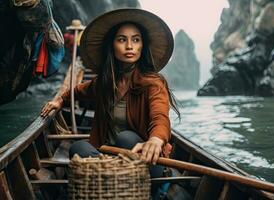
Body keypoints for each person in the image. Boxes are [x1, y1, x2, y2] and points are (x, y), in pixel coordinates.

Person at [40, 8, 180, 196]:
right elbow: (77, 91)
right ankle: (113, 179)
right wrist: (60, 100)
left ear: (142, 46)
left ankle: (113, 183)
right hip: (108, 157)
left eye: (136, 40)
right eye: (122, 39)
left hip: (144, 159)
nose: (129, 46)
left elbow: (160, 116)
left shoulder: (153, 84)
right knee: (78, 148)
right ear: (112, 45)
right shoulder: (105, 83)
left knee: (126, 138)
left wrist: (156, 139)